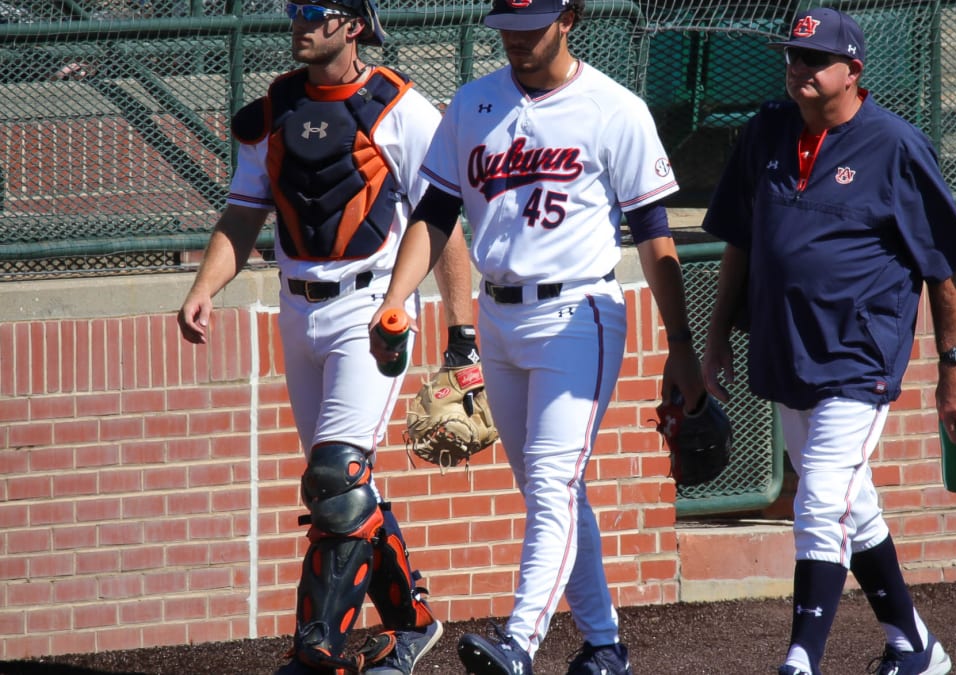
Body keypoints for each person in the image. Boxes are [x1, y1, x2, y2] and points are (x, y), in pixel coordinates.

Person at [368, 1, 705, 673]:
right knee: (552, 488)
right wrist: (395, 298)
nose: (518, 37)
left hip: (579, 313)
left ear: (571, 16)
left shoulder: (615, 108)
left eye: (535, 22)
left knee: (552, 480)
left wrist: (682, 345)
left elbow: (653, 234)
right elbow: (435, 212)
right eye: (508, 25)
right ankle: (605, 643)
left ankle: (520, 640)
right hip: (499, 317)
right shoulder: (473, 104)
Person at [176, 1, 477, 673]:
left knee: (337, 476)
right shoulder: (274, 109)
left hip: (371, 309)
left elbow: (444, 217)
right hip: (296, 307)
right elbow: (244, 210)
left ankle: (316, 648)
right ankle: (412, 623)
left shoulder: (397, 106)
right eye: (294, 9)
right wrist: (203, 287)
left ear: (355, 23)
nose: (300, 21)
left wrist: (463, 337)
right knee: (339, 491)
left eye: (316, 9)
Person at [700, 8, 956, 675]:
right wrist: (715, 337)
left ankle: (801, 658)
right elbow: (738, 240)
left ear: (853, 71)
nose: (797, 68)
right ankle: (916, 647)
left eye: (813, 59)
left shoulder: (895, 145)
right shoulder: (767, 130)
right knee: (852, 507)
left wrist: (955, 369)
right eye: (792, 57)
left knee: (820, 499)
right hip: (785, 349)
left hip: (860, 355)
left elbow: (943, 268)